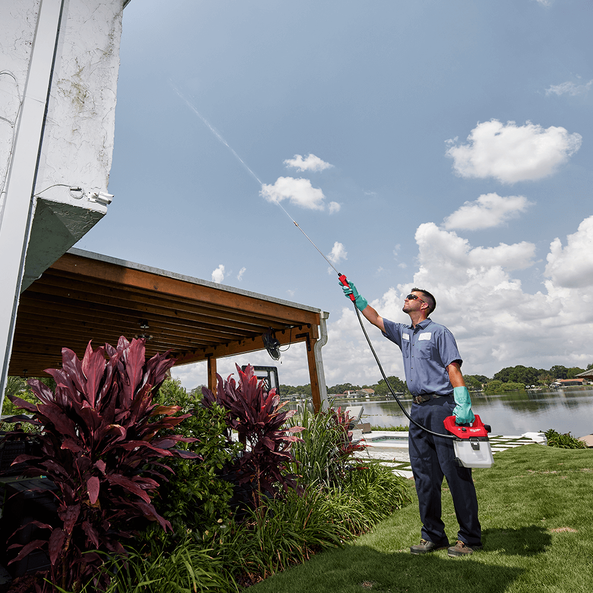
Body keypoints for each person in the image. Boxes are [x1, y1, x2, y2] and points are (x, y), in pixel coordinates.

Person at [341, 279, 482, 557]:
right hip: (417, 411)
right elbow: (376, 319)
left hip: (443, 406)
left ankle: (470, 537)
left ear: (424, 304)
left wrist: (462, 402)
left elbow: (453, 367)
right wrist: (356, 297)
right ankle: (433, 535)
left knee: (455, 474)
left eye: (411, 296)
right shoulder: (404, 333)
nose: (406, 298)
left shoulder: (440, 332)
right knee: (424, 475)